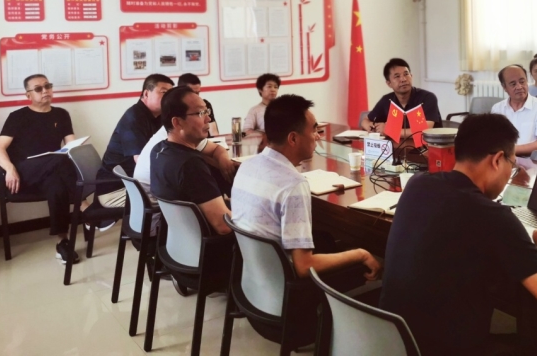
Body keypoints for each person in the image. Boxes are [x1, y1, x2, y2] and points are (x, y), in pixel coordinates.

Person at [380, 113, 537, 356]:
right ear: (497, 160)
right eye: (512, 165)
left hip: (393, 341)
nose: (509, 173)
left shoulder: (417, 184)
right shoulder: (492, 216)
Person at [231, 94, 381, 280]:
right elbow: (304, 267)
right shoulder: (293, 184)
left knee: (324, 238)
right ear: (293, 139)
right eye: (314, 130)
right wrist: (361, 254)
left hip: (252, 281)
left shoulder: (246, 166)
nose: (318, 136)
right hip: (286, 286)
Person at [0, 74, 82, 264]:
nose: (45, 91)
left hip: (52, 170)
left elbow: (71, 146)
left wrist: (77, 152)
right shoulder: (18, 116)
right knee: (59, 159)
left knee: (57, 183)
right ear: (28, 95)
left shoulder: (61, 114)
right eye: (39, 89)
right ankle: (85, 206)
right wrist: (10, 168)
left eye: (48, 86)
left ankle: (62, 242)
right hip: (24, 173)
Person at [150, 86, 232, 235]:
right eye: (200, 113)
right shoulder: (190, 165)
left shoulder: (159, 150)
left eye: (207, 111)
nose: (208, 119)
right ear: (177, 122)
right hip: (207, 243)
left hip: (179, 239)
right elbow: (224, 226)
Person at [96, 74, 174, 209]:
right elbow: (141, 161)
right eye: (164, 93)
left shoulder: (159, 117)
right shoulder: (134, 118)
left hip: (137, 182)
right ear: (146, 93)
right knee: (177, 199)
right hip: (117, 189)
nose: (169, 98)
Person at [361, 58, 442, 139]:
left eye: (406, 74)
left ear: (411, 76)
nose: (403, 79)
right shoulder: (387, 100)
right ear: (389, 83)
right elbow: (365, 121)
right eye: (397, 76)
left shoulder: (427, 98)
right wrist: (371, 127)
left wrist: (389, 130)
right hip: (397, 146)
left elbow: (425, 130)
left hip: (428, 146)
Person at [490, 65, 537, 156]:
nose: (519, 87)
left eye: (522, 81)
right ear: (504, 87)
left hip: (532, 161)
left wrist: (508, 150)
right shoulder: (497, 109)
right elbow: (493, 139)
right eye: (513, 84)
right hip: (504, 159)